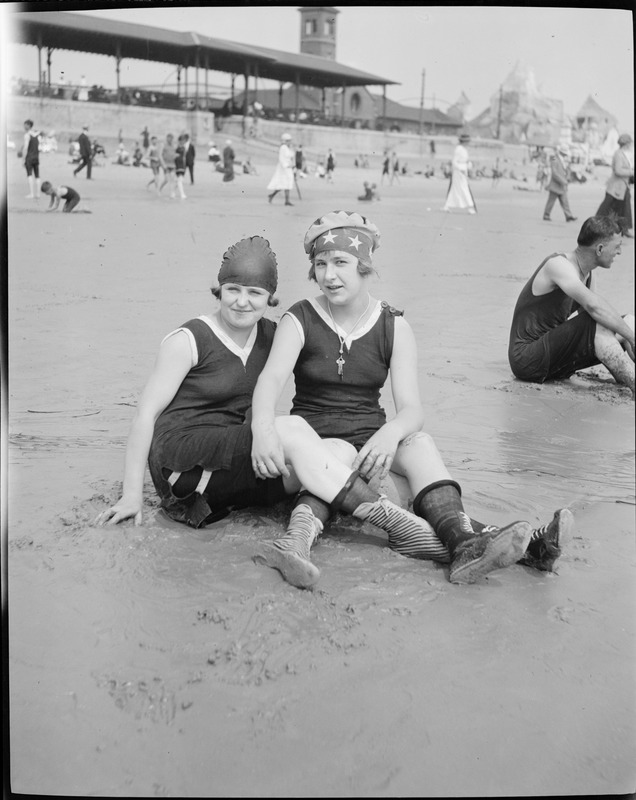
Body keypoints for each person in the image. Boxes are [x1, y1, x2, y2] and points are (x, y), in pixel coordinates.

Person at [250, 210, 570, 588]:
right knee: (339, 454)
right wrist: (262, 430)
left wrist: (389, 435)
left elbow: (412, 409)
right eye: (320, 264)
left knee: (420, 444)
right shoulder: (299, 318)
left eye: (340, 263)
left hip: (372, 445)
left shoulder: (393, 325)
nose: (329, 275)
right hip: (318, 448)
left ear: (365, 266)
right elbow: (269, 382)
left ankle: (467, 545)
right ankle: (528, 549)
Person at [94, 236, 447, 555]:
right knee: (291, 428)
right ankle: (401, 524)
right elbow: (145, 416)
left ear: (270, 299)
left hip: (233, 462)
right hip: (182, 462)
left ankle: (315, 534)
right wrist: (131, 494)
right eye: (233, 290)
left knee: (334, 452)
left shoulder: (272, 335)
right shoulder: (189, 339)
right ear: (219, 290)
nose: (242, 302)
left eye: (255, 294)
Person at [508, 215, 634, 395]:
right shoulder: (558, 265)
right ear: (599, 248)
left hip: (554, 359)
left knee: (629, 320)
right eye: (617, 246)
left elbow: (594, 328)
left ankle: (626, 378)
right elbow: (594, 310)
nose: (620, 252)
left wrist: (628, 334)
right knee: (600, 321)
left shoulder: (588, 275)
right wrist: (631, 337)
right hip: (527, 359)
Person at [595, 133, 634, 238]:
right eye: (630, 143)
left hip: (623, 186)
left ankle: (624, 230)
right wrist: (631, 172)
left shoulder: (625, 154)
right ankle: (595, 227)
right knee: (606, 208)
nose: (631, 145)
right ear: (626, 143)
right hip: (615, 187)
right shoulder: (618, 154)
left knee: (625, 209)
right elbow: (618, 170)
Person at [442, 133, 476, 213]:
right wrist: (461, 169)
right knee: (463, 188)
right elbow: (454, 161)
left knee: (456, 189)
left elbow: (465, 160)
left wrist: (468, 165)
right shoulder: (459, 149)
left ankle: (447, 205)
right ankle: (470, 206)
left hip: (464, 170)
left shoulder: (464, 149)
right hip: (459, 172)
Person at [542, 145, 576, 222]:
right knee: (551, 201)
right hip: (555, 185)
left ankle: (569, 216)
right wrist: (563, 181)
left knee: (565, 201)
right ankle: (546, 215)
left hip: (561, 186)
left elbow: (564, 170)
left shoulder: (563, 160)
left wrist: (567, 175)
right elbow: (554, 173)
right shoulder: (554, 158)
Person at [267, 133, 295, 205]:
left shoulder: (288, 148)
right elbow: (281, 158)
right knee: (282, 183)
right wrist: (286, 165)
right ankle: (274, 196)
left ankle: (286, 200)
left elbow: (291, 156)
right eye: (288, 140)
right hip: (284, 168)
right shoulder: (283, 147)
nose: (290, 142)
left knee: (287, 184)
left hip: (289, 167)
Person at [22, 119, 41, 199]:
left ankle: (32, 194)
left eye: (25, 125)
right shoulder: (37, 135)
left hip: (29, 157)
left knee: (29, 174)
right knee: (37, 175)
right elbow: (39, 147)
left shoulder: (27, 135)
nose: (24, 126)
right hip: (36, 157)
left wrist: (23, 159)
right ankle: (38, 194)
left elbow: (25, 148)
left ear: (28, 125)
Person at [160, 133, 177, 197]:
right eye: (170, 138)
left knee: (173, 179)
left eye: (172, 139)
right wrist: (163, 164)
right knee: (166, 179)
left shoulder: (173, 145)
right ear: (167, 138)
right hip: (166, 164)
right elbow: (160, 155)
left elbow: (173, 153)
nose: (171, 140)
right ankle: (160, 189)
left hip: (172, 164)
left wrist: (176, 156)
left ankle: (172, 193)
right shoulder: (163, 145)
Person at [174, 134, 188, 200]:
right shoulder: (176, 147)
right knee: (180, 179)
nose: (184, 141)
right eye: (183, 140)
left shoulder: (184, 147)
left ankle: (173, 192)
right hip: (177, 163)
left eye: (184, 140)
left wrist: (185, 165)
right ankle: (182, 194)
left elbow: (184, 157)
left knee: (179, 179)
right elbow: (173, 154)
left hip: (182, 164)